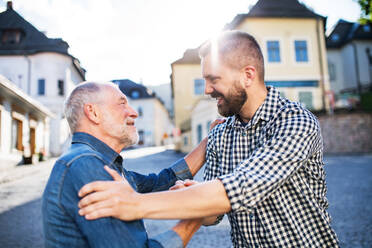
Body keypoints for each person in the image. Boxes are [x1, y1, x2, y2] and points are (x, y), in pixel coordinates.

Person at [78, 31, 340, 247]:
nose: (206, 90)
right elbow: (214, 214)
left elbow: (243, 187)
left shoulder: (295, 121)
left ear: (248, 75)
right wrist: (191, 194)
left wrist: (136, 205)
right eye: (205, 80)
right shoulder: (220, 134)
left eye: (214, 79)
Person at [42, 81, 215, 248]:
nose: (133, 112)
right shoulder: (86, 164)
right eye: (122, 104)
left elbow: (162, 181)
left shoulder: (100, 163)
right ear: (93, 113)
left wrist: (208, 142)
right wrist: (197, 213)